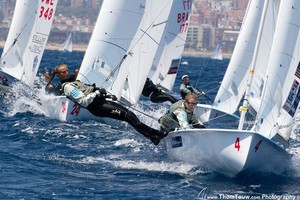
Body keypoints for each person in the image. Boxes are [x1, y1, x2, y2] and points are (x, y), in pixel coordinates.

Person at [53, 64, 167, 145]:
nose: (67, 73)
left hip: (102, 101)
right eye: (64, 72)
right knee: (128, 117)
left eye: (67, 70)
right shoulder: (68, 87)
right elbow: (83, 102)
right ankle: (156, 134)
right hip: (97, 108)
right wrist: (98, 92)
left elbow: (90, 90)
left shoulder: (73, 81)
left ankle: (153, 137)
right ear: (58, 75)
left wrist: (106, 95)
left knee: (130, 114)